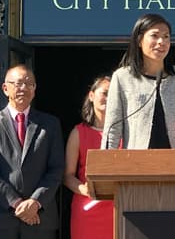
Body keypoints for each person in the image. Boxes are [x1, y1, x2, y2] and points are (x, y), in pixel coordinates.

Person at [0, 64, 64, 239]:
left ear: (34, 89)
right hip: (1, 221)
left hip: (40, 219)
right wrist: (17, 204)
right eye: (18, 83)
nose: (23, 88)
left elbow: (56, 168)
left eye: (29, 84)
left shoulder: (50, 124)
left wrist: (35, 202)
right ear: (5, 88)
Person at [101, 13, 175, 150]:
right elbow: (112, 131)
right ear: (139, 40)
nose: (161, 41)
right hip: (136, 166)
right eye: (155, 35)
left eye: (166, 36)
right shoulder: (122, 78)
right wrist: (106, 165)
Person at [63, 75, 113, 239]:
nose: (109, 97)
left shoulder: (126, 132)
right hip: (87, 207)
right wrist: (85, 190)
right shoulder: (78, 132)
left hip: (118, 207)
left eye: (113, 93)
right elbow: (68, 176)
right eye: (105, 93)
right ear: (91, 96)